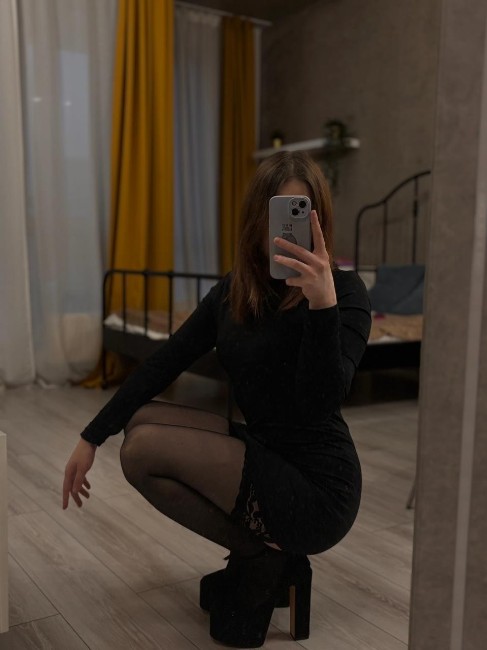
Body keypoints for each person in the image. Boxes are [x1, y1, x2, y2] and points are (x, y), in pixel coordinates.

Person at [62, 150, 371, 648]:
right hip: (265, 450)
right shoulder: (236, 291)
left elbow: (322, 402)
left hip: (318, 485)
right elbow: (166, 361)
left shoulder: (346, 293)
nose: (286, 231)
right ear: (256, 220)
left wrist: (322, 305)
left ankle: (262, 556)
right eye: (277, 214)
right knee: (139, 423)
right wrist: (91, 436)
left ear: (319, 221)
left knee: (143, 450)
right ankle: (262, 550)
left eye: (299, 214)